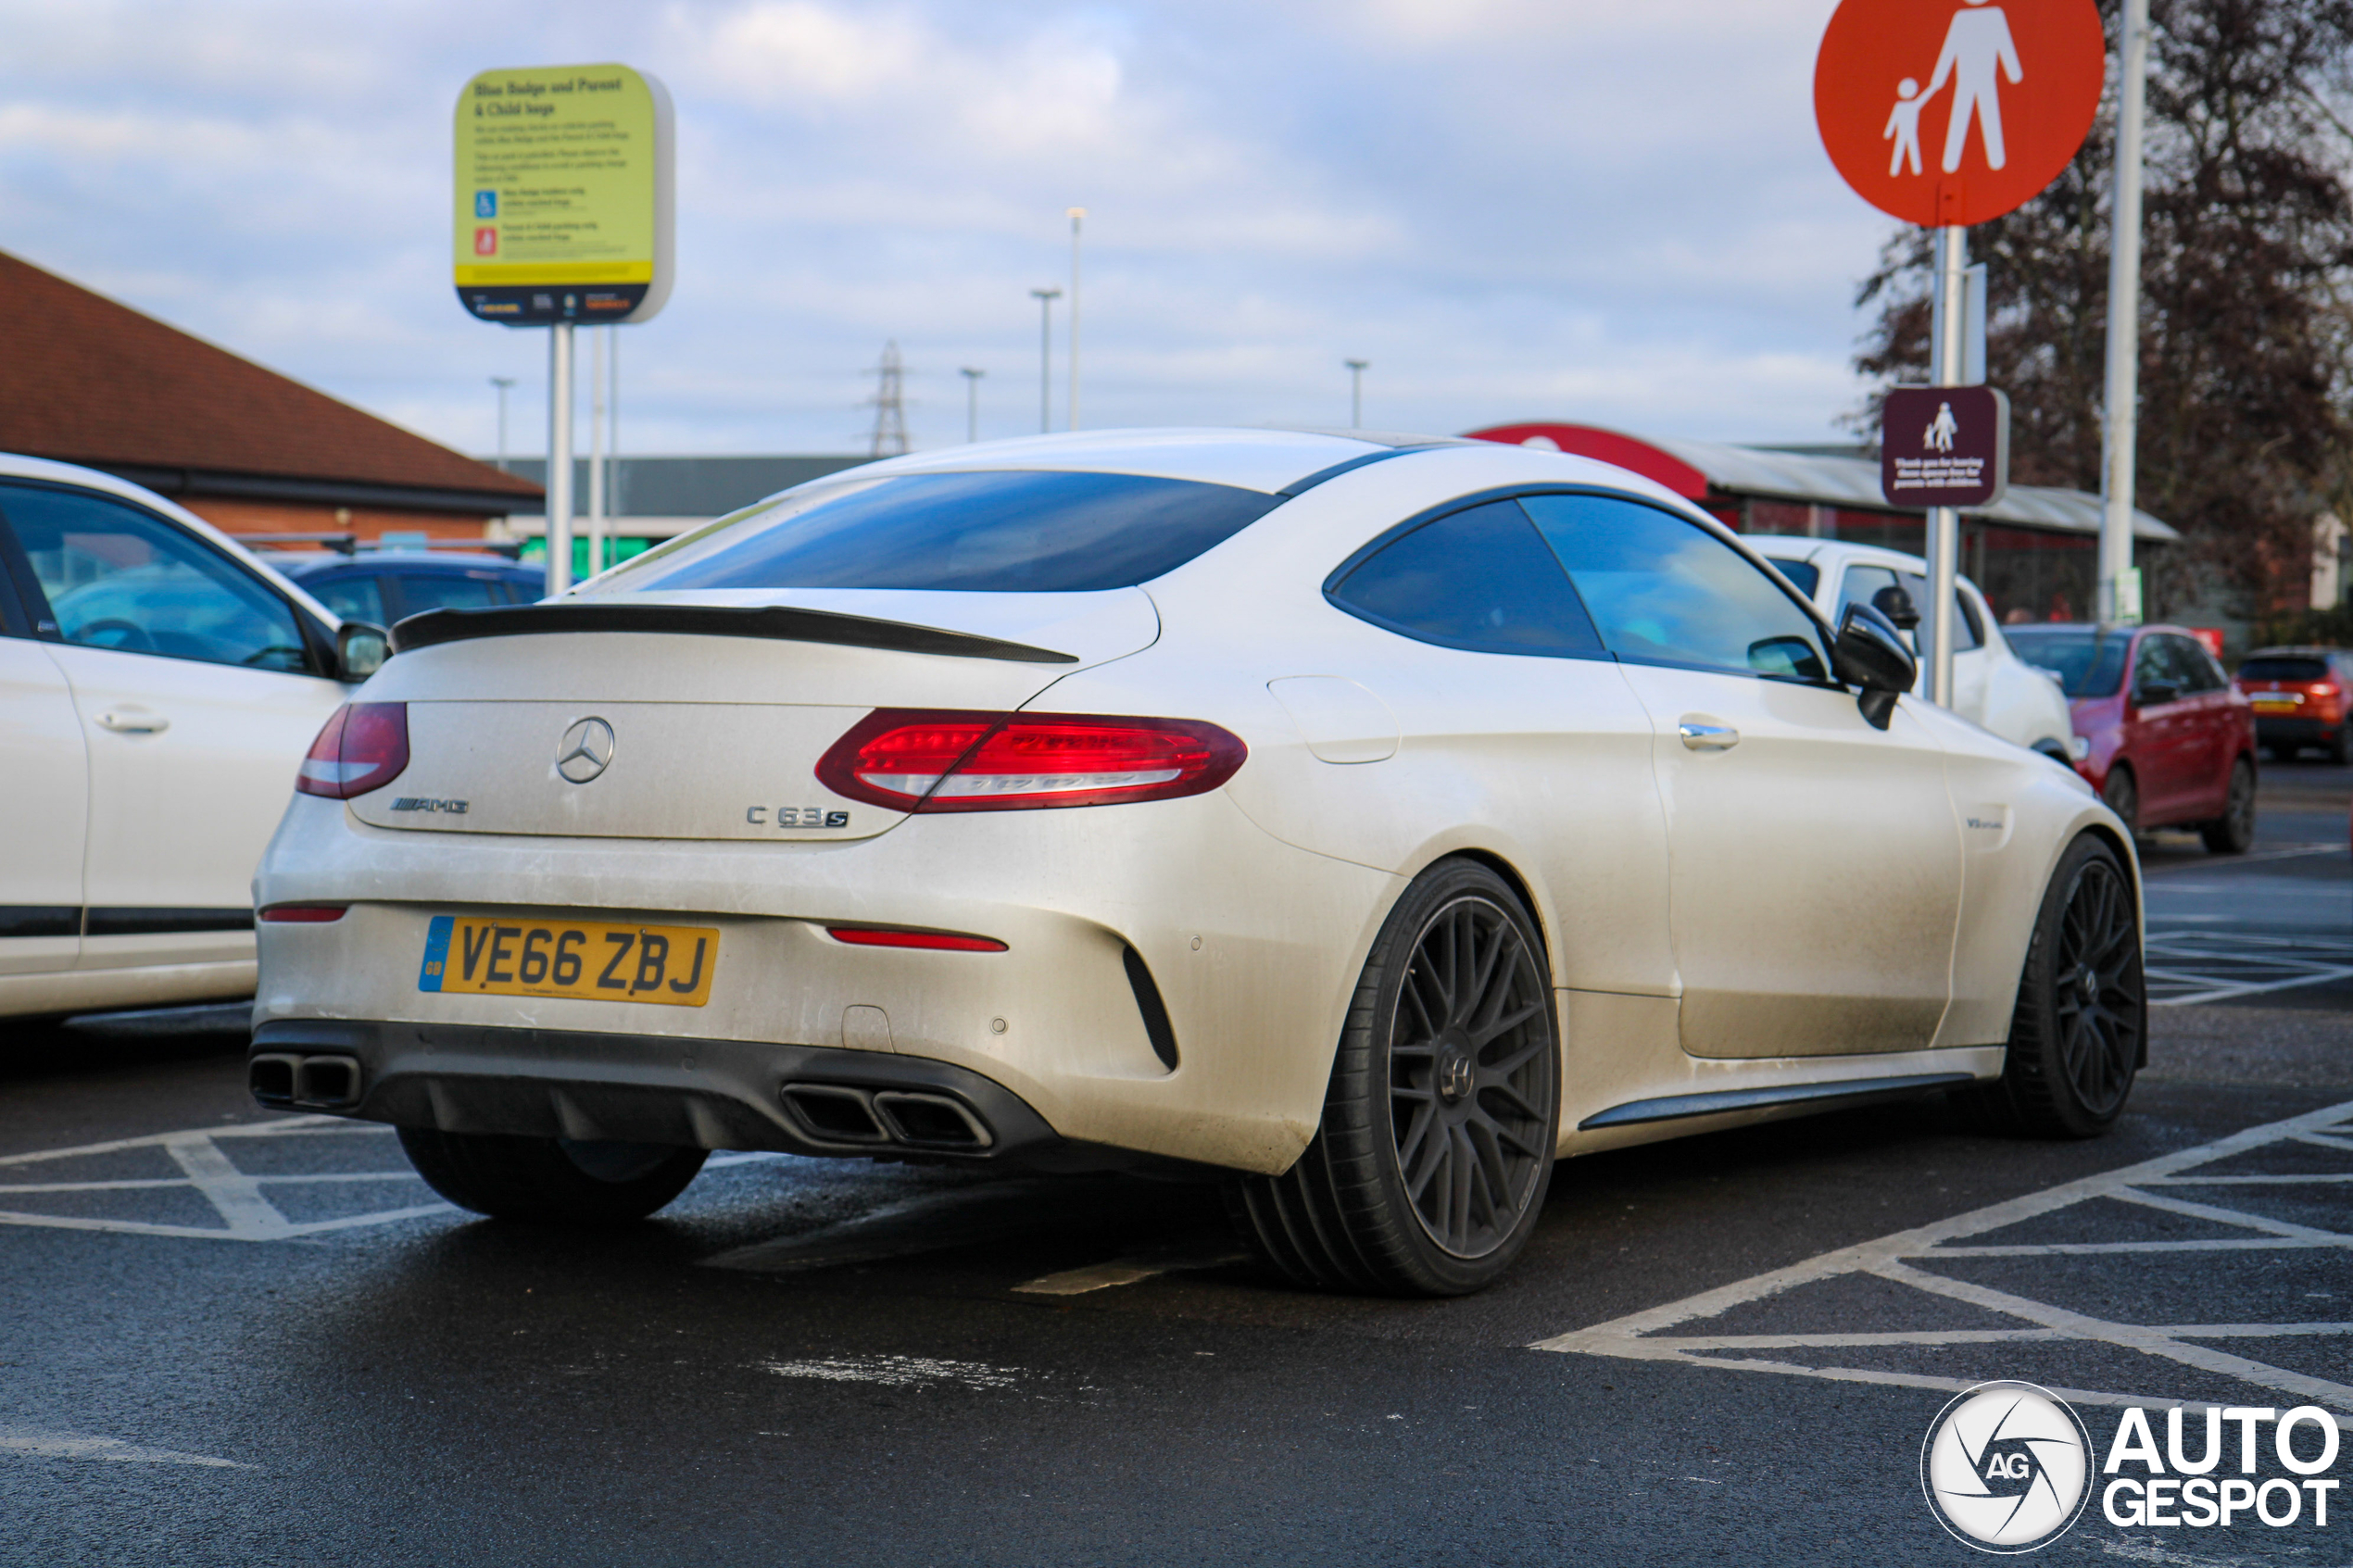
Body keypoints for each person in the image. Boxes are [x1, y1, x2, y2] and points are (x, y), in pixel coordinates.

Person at [1927, 0, 2024, 172]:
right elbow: (1949, 49)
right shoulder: (1961, 18)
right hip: (1965, 79)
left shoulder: (1994, 16)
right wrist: (1938, 78)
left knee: (1988, 115)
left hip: (1985, 78)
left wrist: (2013, 72)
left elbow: (2004, 44)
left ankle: (1995, 160)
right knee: (1961, 116)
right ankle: (1951, 163)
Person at [1883, 77, 1931, 177]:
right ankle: (1897, 171)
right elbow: (1893, 119)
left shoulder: (1912, 105)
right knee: (1902, 149)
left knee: (1909, 149)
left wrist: (1931, 89)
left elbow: (1923, 99)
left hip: (1910, 133)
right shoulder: (1902, 106)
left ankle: (1915, 170)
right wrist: (1888, 132)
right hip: (1904, 133)